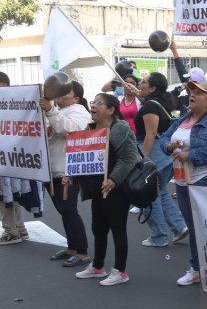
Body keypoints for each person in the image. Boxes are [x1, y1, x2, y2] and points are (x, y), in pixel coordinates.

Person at [160, 81, 207, 286]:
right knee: (193, 227)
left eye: (199, 93)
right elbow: (164, 138)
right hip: (183, 181)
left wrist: (190, 155)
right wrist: (169, 147)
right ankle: (197, 269)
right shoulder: (182, 119)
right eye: (192, 91)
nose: (192, 95)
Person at [69, 93, 138, 286]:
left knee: (117, 229)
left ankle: (120, 271)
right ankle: (98, 267)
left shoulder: (120, 129)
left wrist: (114, 179)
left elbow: (129, 158)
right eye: (93, 102)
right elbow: (82, 159)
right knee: (98, 229)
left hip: (116, 189)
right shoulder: (89, 129)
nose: (93, 105)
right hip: (96, 188)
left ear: (111, 110)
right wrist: (71, 175)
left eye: (98, 103)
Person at [39, 81, 92, 267]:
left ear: (76, 98)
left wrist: (51, 112)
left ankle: (82, 252)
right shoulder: (58, 111)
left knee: (69, 211)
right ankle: (71, 247)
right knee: (63, 211)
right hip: (53, 169)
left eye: (65, 92)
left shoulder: (79, 111)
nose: (60, 95)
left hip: (67, 171)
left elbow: (71, 130)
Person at [133, 72, 189, 247]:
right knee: (160, 191)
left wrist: (142, 158)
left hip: (154, 154)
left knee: (149, 195)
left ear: (152, 88)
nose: (140, 84)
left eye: (143, 82)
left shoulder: (150, 106)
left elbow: (150, 134)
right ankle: (179, 226)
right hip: (164, 155)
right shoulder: (158, 104)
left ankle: (159, 236)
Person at [0, 72, 29, 245]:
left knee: (5, 195)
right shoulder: (15, 104)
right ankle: (20, 228)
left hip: (7, 158)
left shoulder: (9, 105)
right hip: (14, 157)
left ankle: (11, 231)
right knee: (13, 193)